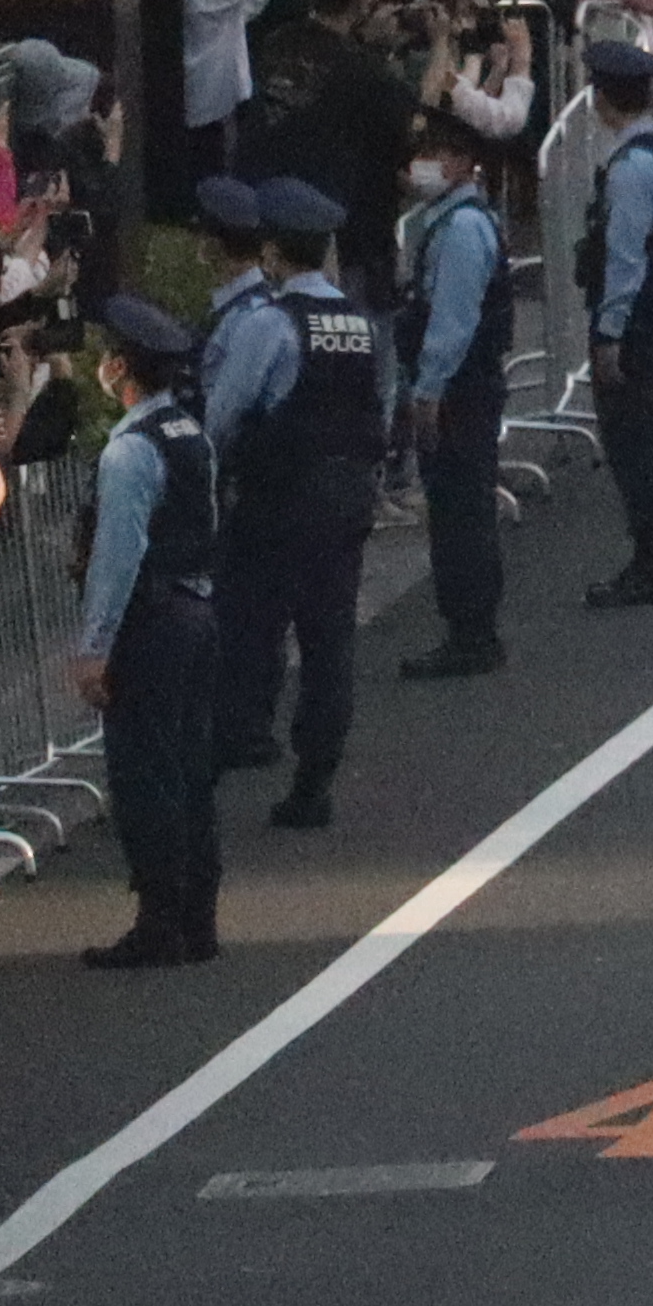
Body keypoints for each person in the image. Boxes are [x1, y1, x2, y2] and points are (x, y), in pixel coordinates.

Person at [206, 177, 382, 826]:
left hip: (277, 499)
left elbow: (221, 418)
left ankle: (223, 759)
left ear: (274, 255)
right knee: (329, 643)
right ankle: (315, 782)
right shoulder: (359, 326)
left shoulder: (270, 324)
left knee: (249, 631)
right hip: (347, 500)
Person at [68, 296, 228, 967]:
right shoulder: (191, 434)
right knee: (191, 769)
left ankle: (158, 920)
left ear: (120, 368)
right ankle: (198, 919)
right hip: (197, 610)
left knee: (145, 774)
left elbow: (117, 557)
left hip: (152, 621)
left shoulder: (129, 453)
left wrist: (93, 648)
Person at [393, 99, 517, 678]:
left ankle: (471, 629)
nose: (421, 164)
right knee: (457, 505)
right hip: (463, 386)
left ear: (464, 161)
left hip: (460, 389)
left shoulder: (463, 228)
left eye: (434, 152)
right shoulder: (449, 220)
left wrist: (428, 388)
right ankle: (469, 625)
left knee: (461, 508)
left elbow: (453, 320)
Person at [580, 35, 653, 608]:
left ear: (602, 97)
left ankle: (651, 560)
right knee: (644, 436)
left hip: (636, 314)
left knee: (633, 441)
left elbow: (624, 257)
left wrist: (608, 333)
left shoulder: (629, 169)